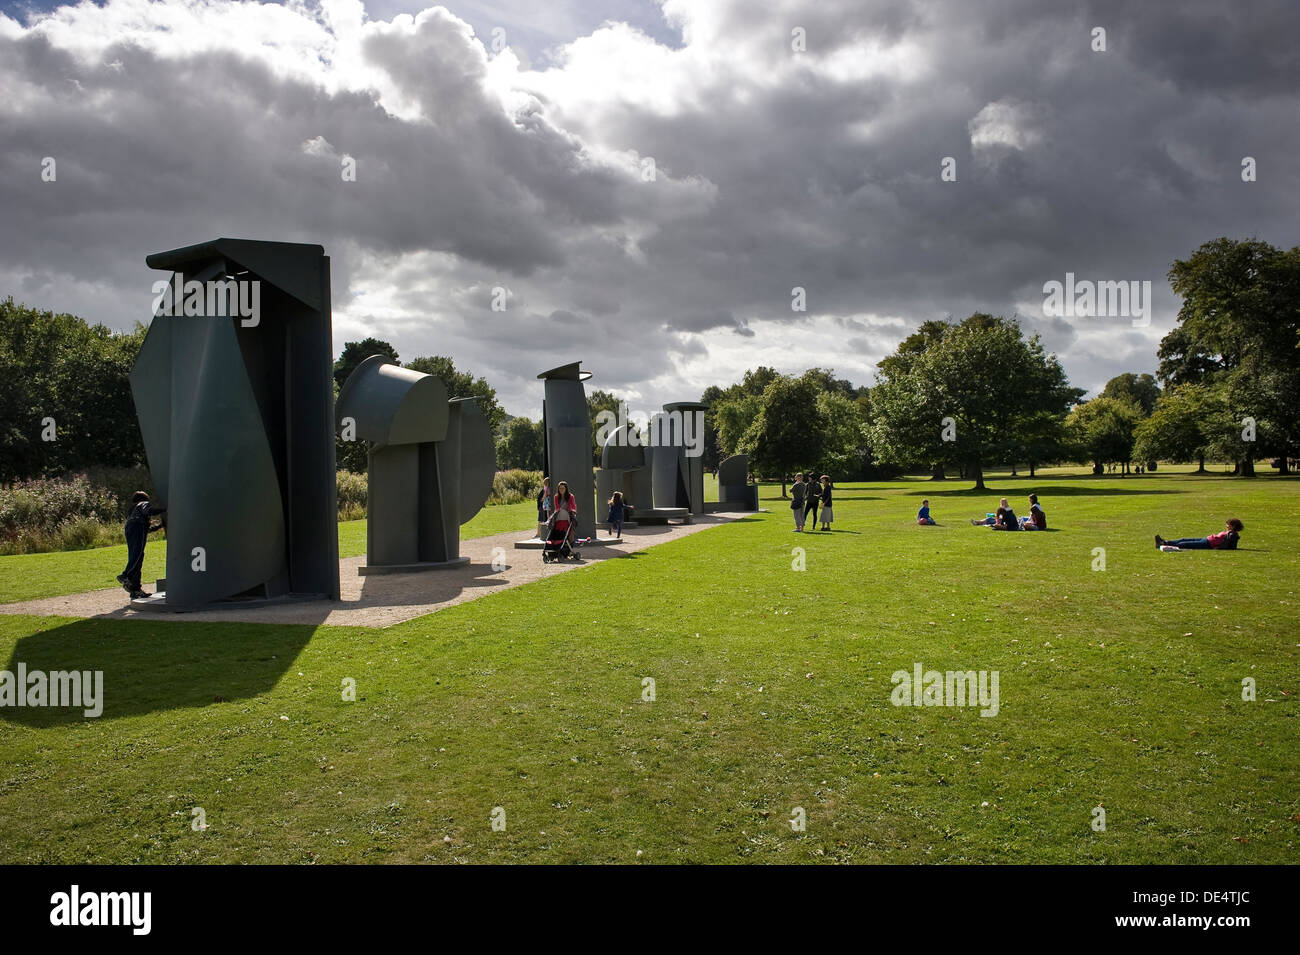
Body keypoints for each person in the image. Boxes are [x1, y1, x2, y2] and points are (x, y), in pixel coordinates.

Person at [117, 491, 165, 599]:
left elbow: (147, 529)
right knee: (138, 554)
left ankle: (135, 589)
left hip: (130, 530)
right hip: (138, 528)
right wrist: (165, 509)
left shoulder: (133, 510)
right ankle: (126, 575)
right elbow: (149, 511)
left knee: (135, 557)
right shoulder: (143, 503)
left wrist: (159, 526)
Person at [1157, 518, 1242, 551]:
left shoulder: (1233, 535)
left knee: (1184, 544)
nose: (1226, 526)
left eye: (1228, 525)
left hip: (1208, 544)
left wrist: (1218, 548)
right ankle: (1164, 541)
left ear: (1233, 526)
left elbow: (1230, 546)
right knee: (1183, 539)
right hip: (1207, 540)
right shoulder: (1230, 533)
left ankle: (1163, 544)